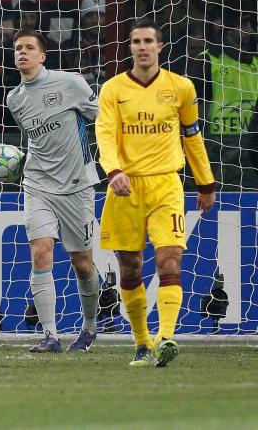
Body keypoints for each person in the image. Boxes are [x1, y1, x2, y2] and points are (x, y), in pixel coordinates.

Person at [96, 19, 216, 367]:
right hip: (125, 187)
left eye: (149, 41)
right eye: (136, 42)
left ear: (160, 47)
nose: (143, 46)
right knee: (130, 269)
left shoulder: (181, 88)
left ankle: (166, 336)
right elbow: (105, 135)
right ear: (130, 48)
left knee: (169, 260)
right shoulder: (113, 89)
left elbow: (192, 136)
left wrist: (205, 182)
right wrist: (114, 171)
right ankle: (142, 342)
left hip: (166, 183)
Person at [4, 30, 101, 353]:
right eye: (18, 48)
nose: (22, 52)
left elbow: (100, 119)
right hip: (37, 183)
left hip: (76, 186)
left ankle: (89, 327)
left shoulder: (70, 84)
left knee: (82, 263)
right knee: (40, 251)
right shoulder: (14, 98)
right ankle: (50, 335)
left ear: (42, 56)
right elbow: (34, 139)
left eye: (29, 47)